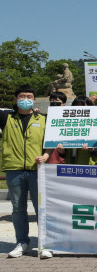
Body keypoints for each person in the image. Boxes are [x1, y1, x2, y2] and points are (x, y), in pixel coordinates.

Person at [0, 85, 52, 259]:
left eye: (29, 96)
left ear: (35, 100)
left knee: (41, 209)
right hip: (14, 169)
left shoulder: (44, 119)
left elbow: (50, 143)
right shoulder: (6, 118)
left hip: (37, 170)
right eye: (22, 96)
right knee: (18, 209)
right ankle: (22, 242)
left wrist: (45, 156)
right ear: (15, 100)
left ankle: (44, 244)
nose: (26, 99)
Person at [55, 96, 97, 165]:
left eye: (83, 106)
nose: (79, 109)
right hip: (70, 162)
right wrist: (62, 151)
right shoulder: (67, 123)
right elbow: (64, 152)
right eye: (77, 106)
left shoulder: (96, 123)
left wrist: (92, 149)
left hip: (87, 164)